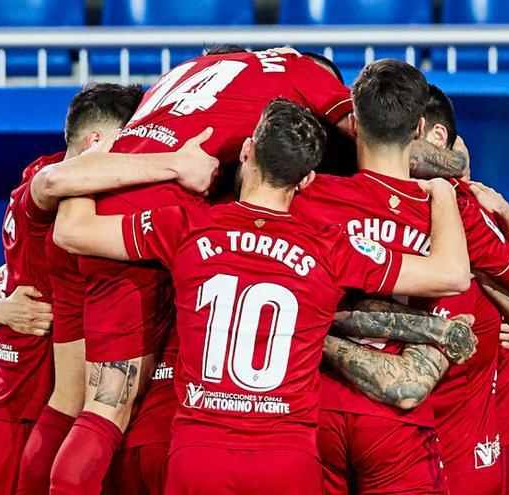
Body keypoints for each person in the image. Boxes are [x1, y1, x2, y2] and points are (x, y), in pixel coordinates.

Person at [52, 98, 472, 495]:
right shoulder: (330, 248)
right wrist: (444, 192)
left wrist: (94, 162)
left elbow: (72, 231)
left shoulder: (186, 226)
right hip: (285, 459)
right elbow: (451, 274)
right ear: (307, 179)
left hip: (200, 454)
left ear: (247, 150)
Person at [49, 47, 360, 493]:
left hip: (109, 196)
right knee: (105, 409)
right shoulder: (298, 69)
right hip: (135, 222)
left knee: (84, 404)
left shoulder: (183, 72)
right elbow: (369, 129)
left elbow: (54, 188)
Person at [0, 83, 218, 495]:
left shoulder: (46, 192)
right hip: (23, 418)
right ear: (96, 142)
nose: (135, 155)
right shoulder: (46, 188)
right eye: (128, 143)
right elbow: (51, 185)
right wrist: (174, 163)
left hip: (27, 414)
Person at [311, 81, 509, 495]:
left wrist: (314, 331)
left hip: (449, 440)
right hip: (398, 434)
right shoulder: (450, 207)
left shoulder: (318, 197)